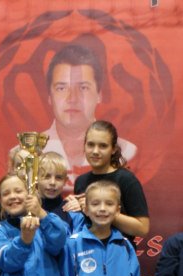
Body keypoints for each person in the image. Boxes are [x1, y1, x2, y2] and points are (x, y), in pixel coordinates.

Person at [17, 44, 137, 189]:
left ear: (99, 95)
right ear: (49, 97)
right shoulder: (25, 154)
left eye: (83, 87)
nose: (72, 98)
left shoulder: (127, 152)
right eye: (61, 88)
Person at [69, 120, 149, 238]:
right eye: (91, 144)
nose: (95, 151)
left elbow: (142, 228)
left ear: (113, 149)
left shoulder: (126, 180)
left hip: (119, 248)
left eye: (103, 146)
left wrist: (100, 210)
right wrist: (70, 207)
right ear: (84, 146)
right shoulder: (81, 181)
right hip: (87, 248)